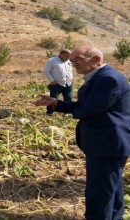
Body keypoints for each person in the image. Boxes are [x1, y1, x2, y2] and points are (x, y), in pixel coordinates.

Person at [34, 46, 130, 220]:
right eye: (72, 60)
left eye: (78, 59)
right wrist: (57, 103)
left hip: (107, 144)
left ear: (96, 60)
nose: (73, 63)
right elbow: (84, 106)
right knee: (111, 189)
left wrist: (75, 110)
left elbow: (89, 109)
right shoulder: (99, 77)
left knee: (99, 193)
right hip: (107, 144)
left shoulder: (109, 79)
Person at [42, 49, 73, 115]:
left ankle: (66, 113)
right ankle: (49, 112)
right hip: (56, 84)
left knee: (68, 98)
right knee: (53, 99)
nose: (69, 58)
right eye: (67, 56)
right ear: (61, 54)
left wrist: (71, 77)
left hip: (68, 84)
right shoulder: (52, 61)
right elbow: (46, 71)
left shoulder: (68, 61)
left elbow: (70, 70)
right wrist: (52, 80)